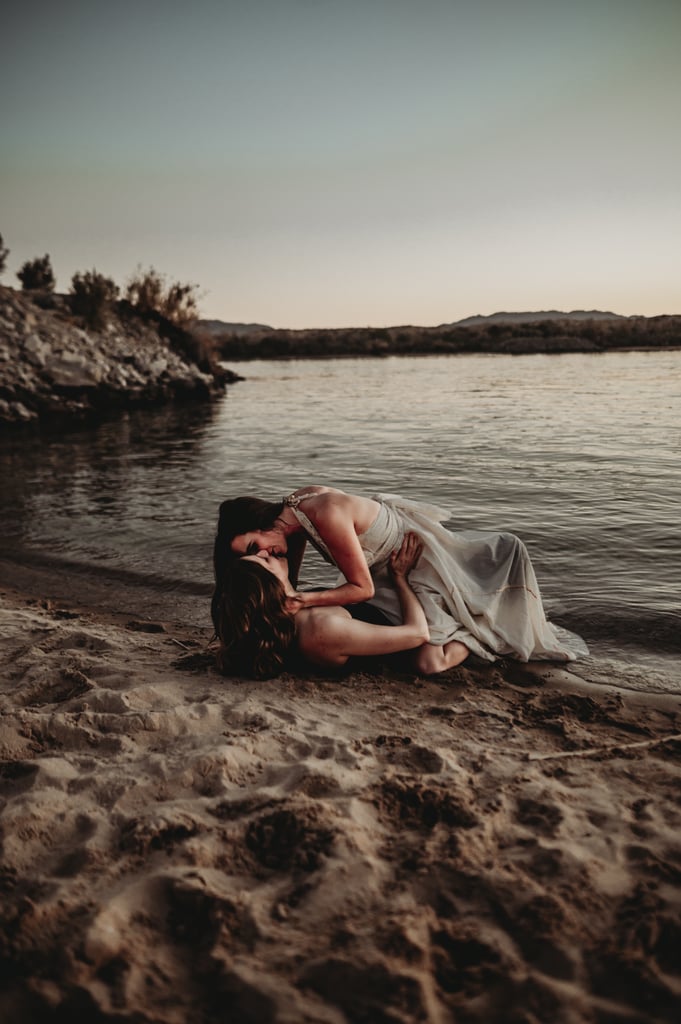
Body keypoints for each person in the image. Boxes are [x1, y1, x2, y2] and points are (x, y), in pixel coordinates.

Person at [214, 485, 588, 671]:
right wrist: (268, 599)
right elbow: (299, 587)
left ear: (261, 523)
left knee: (498, 557)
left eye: (252, 545)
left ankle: (469, 619)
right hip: (385, 578)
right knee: (431, 658)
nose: (263, 554)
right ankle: (469, 631)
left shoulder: (314, 511)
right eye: (253, 558)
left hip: (409, 557)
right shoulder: (288, 525)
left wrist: (298, 600)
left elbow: (353, 589)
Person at [213, 533, 433, 679]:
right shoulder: (320, 629)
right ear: (266, 586)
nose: (263, 552)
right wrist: (399, 577)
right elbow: (418, 634)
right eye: (260, 561)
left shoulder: (297, 609)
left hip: (388, 610)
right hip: (419, 637)